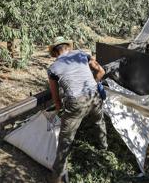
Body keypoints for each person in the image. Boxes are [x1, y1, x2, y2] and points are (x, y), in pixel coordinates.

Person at [46, 36, 108, 183]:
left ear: (55, 53)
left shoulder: (53, 69)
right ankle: (104, 148)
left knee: (65, 141)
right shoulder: (82, 54)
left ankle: (56, 178)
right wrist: (95, 83)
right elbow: (101, 71)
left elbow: (56, 99)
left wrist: (61, 111)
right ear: (69, 47)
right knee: (99, 122)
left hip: (76, 102)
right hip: (94, 96)